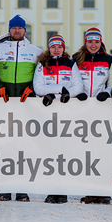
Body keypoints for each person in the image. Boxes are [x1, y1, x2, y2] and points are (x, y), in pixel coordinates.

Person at [0, 14, 42, 202]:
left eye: (20, 28)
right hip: (3, 103)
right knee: (4, 146)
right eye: (14, 28)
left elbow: (40, 75)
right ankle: (4, 188)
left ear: (25, 31)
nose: (17, 31)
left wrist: (32, 88)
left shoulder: (36, 51)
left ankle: (21, 188)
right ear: (9, 30)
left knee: (24, 147)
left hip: (26, 104)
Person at [33, 34, 83, 204]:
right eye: (53, 46)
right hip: (47, 113)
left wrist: (67, 93)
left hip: (67, 113)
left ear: (63, 48)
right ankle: (50, 190)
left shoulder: (70, 63)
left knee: (65, 153)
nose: (56, 49)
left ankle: (62, 191)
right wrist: (57, 91)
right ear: (49, 48)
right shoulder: (42, 64)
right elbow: (38, 87)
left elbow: (78, 86)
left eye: (59, 47)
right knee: (48, 153)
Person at [72, 27, 112, 205]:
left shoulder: (108, 59)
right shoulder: (76, 59)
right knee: (84, 152)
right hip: (80, 109)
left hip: (101, 109)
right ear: (85, 42)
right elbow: (69, 80)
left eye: (96, 42)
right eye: (90, 41)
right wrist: (76, 94)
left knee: (101, 151)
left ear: (101, 42)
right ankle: (89, 190)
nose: (93, 45)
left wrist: (107, 92)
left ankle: (103, 191)